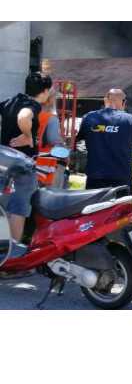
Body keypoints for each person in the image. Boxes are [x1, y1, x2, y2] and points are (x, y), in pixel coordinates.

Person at [0, 72, 51, 259]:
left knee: (3, 205)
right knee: (19, 206)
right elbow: (23, 117)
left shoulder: (10, 101)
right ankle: (12, 255)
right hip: (22, 164)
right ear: (44, 91)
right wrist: (28, 136)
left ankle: (2, 247)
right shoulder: (32, 105)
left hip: (4, 161)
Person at [76, 88, 132, 196]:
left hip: (95, 177)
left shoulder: (89, 117)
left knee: (95, 206)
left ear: (105, 100)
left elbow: (77, 139)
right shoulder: (129, 119)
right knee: (121, 207)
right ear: (123, 102)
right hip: (121, 177)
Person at [36, 88, 66, 187]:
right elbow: (53, 140)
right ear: (50, 100)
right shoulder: (50, 118)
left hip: (27, 159)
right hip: (43, 164)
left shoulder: (29, 114)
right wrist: (64, 148)